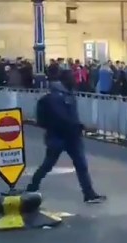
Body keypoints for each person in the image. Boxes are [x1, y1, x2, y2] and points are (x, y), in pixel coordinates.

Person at [27, 64, 107, 203]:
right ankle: (32, 186)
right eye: (72, 78)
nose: (75, 80)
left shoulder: (65, 94)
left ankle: (88, 193)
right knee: (51, 164)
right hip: (62, 135)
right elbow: (63, 118)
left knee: (75, 165)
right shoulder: (58, 97)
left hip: (66, 136)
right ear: (65, 80)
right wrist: (81, 127)